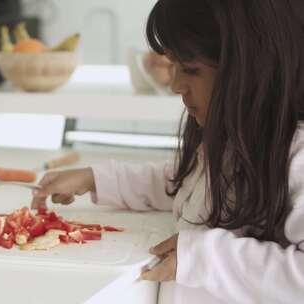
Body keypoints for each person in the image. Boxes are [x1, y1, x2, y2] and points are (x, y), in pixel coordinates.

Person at [31, 0, 304, 303]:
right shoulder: (233, 141)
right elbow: (186, 187)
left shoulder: (297, 158)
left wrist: (203, 258)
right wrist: (97, 179)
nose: (176, 85)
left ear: (254, 67)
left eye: (190, 69)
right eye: (173, 66)